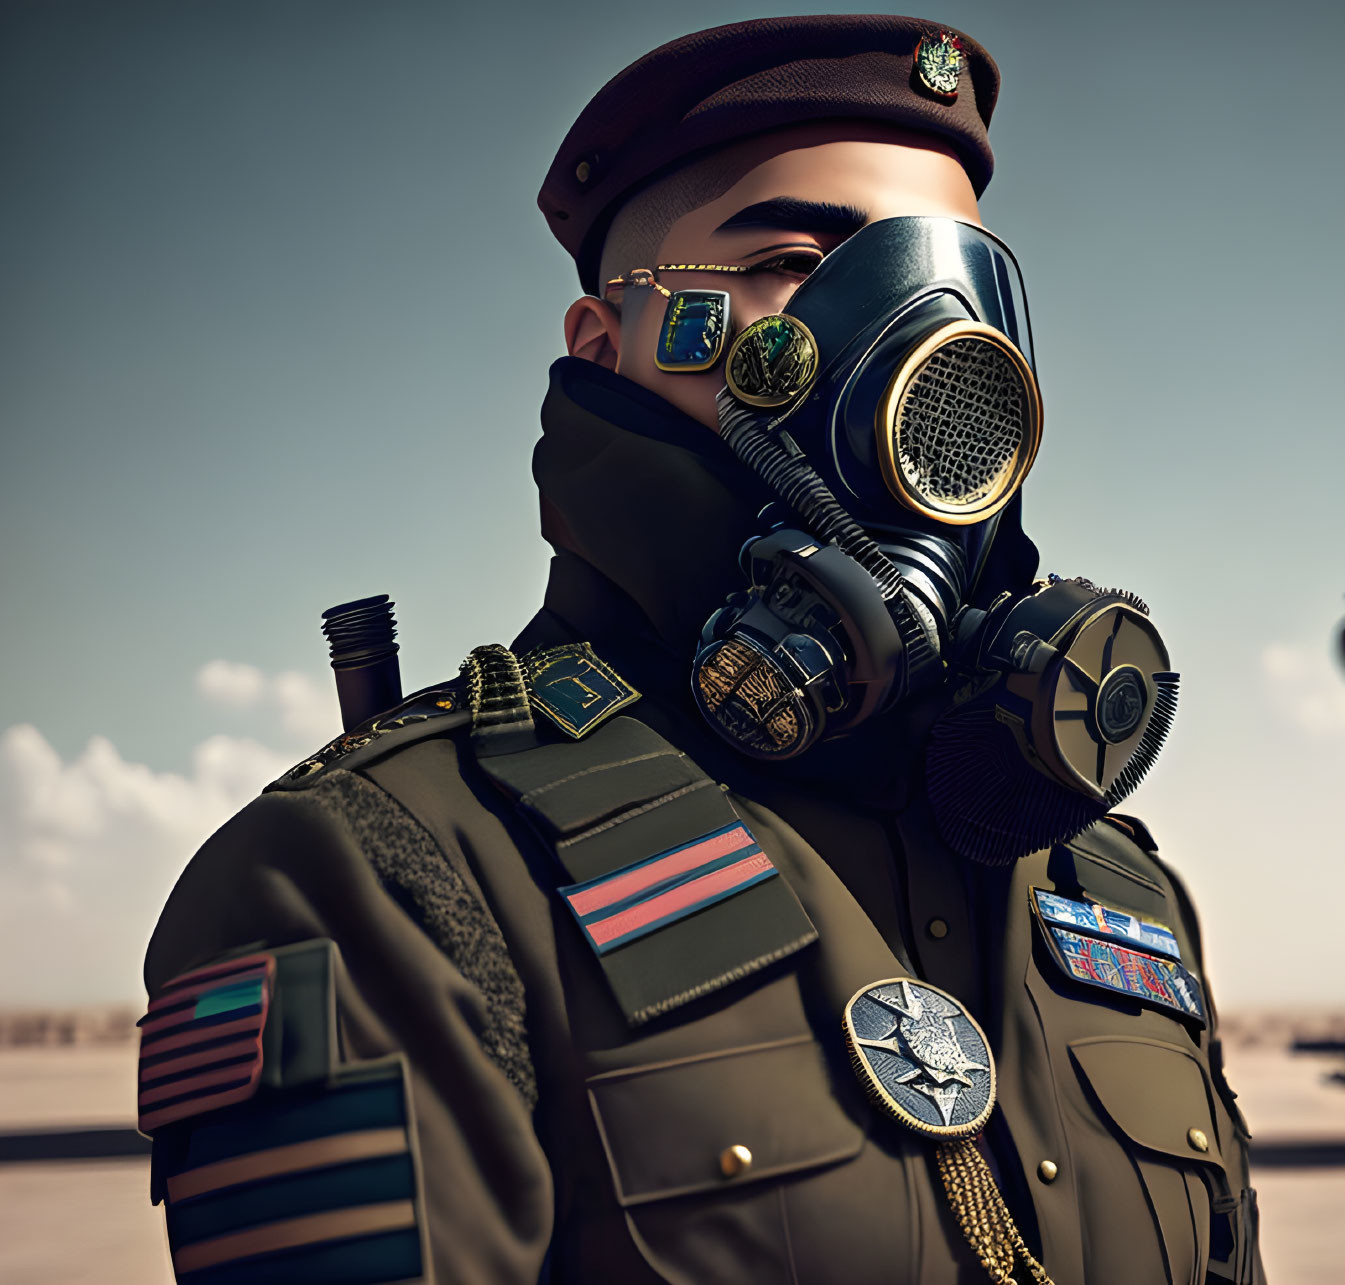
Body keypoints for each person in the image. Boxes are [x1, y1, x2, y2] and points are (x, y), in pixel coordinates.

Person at [139, 15, 1263, 1284]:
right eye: (797, 257)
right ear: (605, 341)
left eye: (966, 278)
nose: (928, 330)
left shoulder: (1110, 889)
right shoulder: (388, 874)